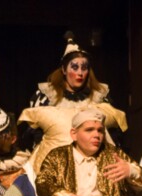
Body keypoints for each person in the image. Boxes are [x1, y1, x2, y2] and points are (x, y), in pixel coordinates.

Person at [18, 32, 127, 175]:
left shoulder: (99, 98)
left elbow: (113, 133)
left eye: (84, 67)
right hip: (56, 166)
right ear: (64, 70)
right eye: (74, 67)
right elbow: (32, 134)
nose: (80, 73)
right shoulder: (46, 97)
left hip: (92, 165)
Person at [35, 108, 142, 196]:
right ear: (74, 134)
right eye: (89, 130)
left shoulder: (113, 154)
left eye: (100, 131)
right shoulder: (58, 156)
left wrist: (131, 170)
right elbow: (42, 182)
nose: (96, 135)